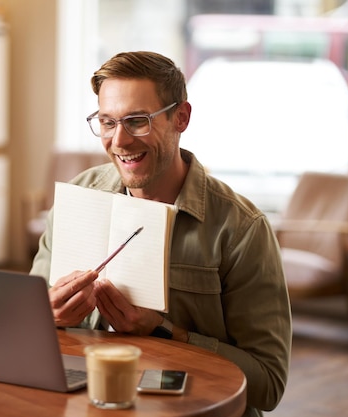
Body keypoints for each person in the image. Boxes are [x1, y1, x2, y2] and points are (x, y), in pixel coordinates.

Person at [30, 51, 291, 417]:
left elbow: (269, 384)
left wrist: (165, 331)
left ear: (180, 117)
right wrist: (50, 315)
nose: (119, 141)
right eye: (107, 122)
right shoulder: (79, 196)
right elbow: (30, 327)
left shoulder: (242, 229)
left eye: (137, 121)